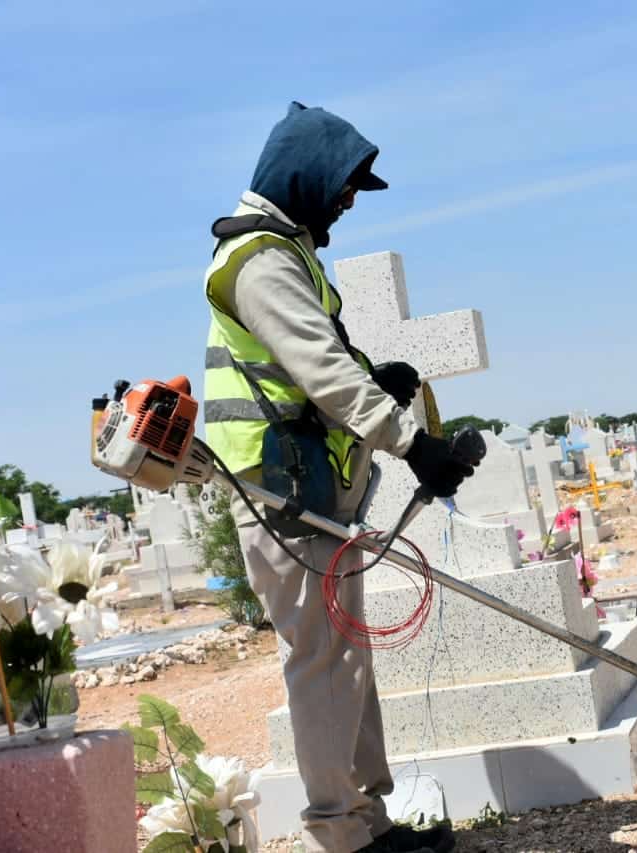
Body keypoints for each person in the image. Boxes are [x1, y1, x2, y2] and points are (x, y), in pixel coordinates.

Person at [201, 102, 473, 853]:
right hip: (280, 492)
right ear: (307, 175)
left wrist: (372, 377)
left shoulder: (284, 252)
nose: (350, 200)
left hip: (306, 487)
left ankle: (366, 822)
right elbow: (317, 370)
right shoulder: (257, 259)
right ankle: (341, 836)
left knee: (343, 651)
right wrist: (412, 443)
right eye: (346, 185)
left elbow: (318, 361)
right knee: (322, 657)